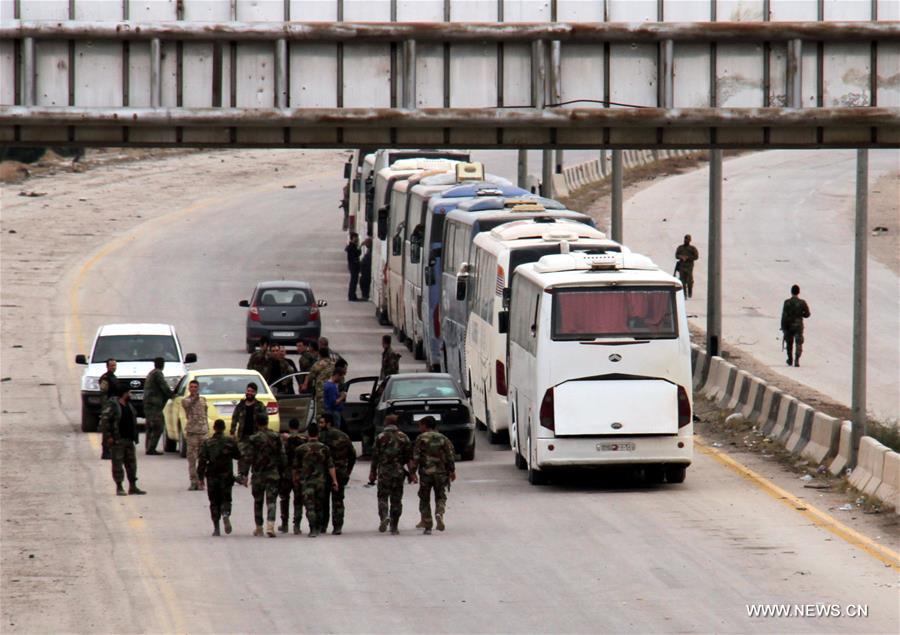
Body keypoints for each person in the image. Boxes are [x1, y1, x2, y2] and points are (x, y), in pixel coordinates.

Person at [239, 412, 284, 537]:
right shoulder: (275, 436)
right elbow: (282, 456)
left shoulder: (253, 438)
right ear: (267, 422)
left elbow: (248, 457)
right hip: (273, 473)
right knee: (272, 501)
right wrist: (283, 471)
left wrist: (244, 474)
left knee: (258, 501)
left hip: (258, 474)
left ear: (257, 423)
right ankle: (270, 526)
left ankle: (259, 527)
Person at [410, 416, 456, 535]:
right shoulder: (443, 438)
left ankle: (428, 525)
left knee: (424, 498)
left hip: (425, 473)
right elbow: (450, 455)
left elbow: (416, 457)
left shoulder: (421, 438)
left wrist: (412, 472)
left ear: (425, 425)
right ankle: (439, 513)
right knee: (441, 496)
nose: (419, 428)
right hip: (441, 473)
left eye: (420, 425)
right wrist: (452, 470)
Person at [368, 414, 414, 535]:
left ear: (386, 423)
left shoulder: (380, 437)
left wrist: (372, 473)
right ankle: (394, 526)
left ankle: (384, 516)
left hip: (384, 471)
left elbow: (375, 457)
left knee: (382, 497)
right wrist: (412, 473)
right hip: (398, 472)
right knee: (396, 499)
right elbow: (409, 458)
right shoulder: (404, 437)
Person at [293, 422, 340, 538]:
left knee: (310, 506)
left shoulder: (300, 449)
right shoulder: (325, 448)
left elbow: (295, 467)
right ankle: (318, 527)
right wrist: (334, 480)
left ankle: (312, 528)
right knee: (319, 505)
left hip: (307, 482)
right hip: (321, 482)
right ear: (318, 434)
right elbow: (330, 466)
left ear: (308, 434)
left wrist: (295, 480)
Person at [197, 419, 241, 536]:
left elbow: (202, 461)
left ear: (214, 428)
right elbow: (238, 456)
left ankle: (216, 528)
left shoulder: (207, 443)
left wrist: (200, 478)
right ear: (224, 428)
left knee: (214, 502)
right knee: (226, 499)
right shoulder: (230, 442)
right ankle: (225, 514)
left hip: (212, 476)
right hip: (226, 476)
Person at [99, 389, 145, 496]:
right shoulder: (113, 406)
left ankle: (132, 486)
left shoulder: (129, 405)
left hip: (129, 439)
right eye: (129, 392)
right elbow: (105, 422)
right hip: (118, 440)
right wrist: (109, 437)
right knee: (117, 464)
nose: (130, 395)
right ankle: (119, 486)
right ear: (124, 393)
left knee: (132, 464)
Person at [318, 413, 356, 535]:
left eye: (322, 422)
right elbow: (352, 455)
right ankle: (337, 526)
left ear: (328, 423)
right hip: (340, 472)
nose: (320, 425)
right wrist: (348, 470)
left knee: (323, 501)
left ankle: (323, 526)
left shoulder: (321, 436)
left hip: (324, 473)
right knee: (338, 500)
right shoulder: (344, 436)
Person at [278, 418, 308, 534]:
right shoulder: (303, 442)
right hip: (299, 474)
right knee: (298, 500)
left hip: (286, 473)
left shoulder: (284, 442)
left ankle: (284, 524)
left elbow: (280, 458)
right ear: (298, 427)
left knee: (284, 499)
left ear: (289, 427)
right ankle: (297, 525)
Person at [230, 382, 267, 475]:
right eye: (248, 390)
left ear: (255, 393)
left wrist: (264, 433)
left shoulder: (260, 405)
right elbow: (234, 418)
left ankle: (255, 474)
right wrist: (232, 432)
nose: (249, 393)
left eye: (252, 391)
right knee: (242, 456)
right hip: (243, 435)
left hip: (256, 435)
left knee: (256, 456)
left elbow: (265, 420)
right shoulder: (241, 405)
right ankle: (241, 475)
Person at [182, 379, 210, 491]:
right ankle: (193, 481)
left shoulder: (203, 400)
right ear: (189, 388)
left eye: (195, 387)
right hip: (192, 433)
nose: (193, 389)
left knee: (203, 459)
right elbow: (188, 405)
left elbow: (205, 413)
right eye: (191, 387)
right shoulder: (186, 400)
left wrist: (207, 429)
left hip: (203, 433)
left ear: (198, 388)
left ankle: (201, 480)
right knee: (192, 459)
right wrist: (195, 397)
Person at [142, 357, 173, 456]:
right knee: (158, 426)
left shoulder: (152, 373)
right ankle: (151, 448)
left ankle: (149, 447)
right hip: (154, 404)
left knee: (150, 426)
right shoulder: (158, 373)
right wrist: (172, 395)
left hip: (149, 403)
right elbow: (164, 386)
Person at [781, 284, 811, 367]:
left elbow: (784, 315)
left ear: (791, 292)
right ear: (799, 292)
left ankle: (790, 359)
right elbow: (808, 314)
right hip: (798, 326)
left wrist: (783, 327)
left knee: (789, 343)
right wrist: (802, 315)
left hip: (789, 325)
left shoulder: (787, 302)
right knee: (799, 343)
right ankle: (797, 360)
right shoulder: (802, 303)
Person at [303, 345, 335, 419]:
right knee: (331, 414)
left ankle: (321, 428)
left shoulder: (319, 364)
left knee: (320, 415)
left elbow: (310, 376)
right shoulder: (333, 364)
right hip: (332, 392)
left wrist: (305, 384)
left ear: (319, 354)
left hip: (321, 392)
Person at [98, 358, 119, 460]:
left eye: (115, 365)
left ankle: (110, 450)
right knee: (106, 429)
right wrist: (107, 407)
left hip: (113, 405)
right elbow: (103, 392)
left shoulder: (113, 377)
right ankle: (105, 451)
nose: (113, 367)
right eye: (111, 365)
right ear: (107, 366)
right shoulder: (105, 378)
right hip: (108, 407)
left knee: (113, 428)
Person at [674, 234, 700, 299]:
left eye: (687, 239)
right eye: (685, 239)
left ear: (690, 240)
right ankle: (684, 294)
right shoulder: (680, 247)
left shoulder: (692, 248)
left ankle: (690, 293)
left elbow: (696, 257)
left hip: (689, 267)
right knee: (682, 280)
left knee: (689, 281)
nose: (686, 240)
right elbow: (676, 255)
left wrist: (688, 258)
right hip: (682, 266)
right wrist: (681, 257)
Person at [322, 367, 347, 431]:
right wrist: (342, 397)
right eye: (341, 377)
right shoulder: (331, 387)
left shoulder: (326, 384)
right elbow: (334, 403)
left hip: (328, 411)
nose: (341, 380)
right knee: (336, 430)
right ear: (337, 375)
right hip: (333, 412)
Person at [346, 232, 361, 301]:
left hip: (353, 265)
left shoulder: (353, 245)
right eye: (356, 237)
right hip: (353, 265)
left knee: (354, 281)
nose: (357, 239)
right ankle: (351, 296)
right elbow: (357, 254)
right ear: (353, 238)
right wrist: (359, 246)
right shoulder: (351, 246)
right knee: (353, 281)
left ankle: (352, 295)